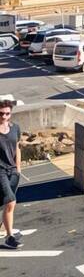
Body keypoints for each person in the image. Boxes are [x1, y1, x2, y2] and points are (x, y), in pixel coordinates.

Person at [0, 98, 22, 250]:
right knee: (10, 201)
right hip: (0, 170)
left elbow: (17, 148)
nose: (4, 117)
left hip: (13, 170)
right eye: (1, 113)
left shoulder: (15, 128)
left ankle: (3, 226)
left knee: (6, 203)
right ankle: (9, 237)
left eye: (7, 114)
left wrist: (18, 168)